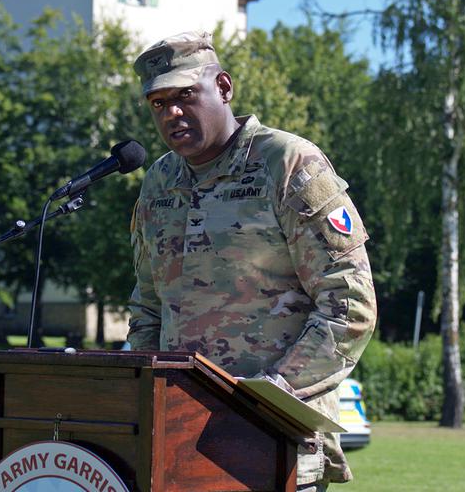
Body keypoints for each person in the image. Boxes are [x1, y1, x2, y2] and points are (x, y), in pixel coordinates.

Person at [126, 31, 377, 491]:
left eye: (185, 95)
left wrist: (270, 393)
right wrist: (142, 394)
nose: (172, 113)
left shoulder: (286, 163)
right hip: (177, 440)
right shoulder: (158, 183)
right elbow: (147, 306)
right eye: (158, 103)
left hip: (275, 438)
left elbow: (349, 303)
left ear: (223, 87)